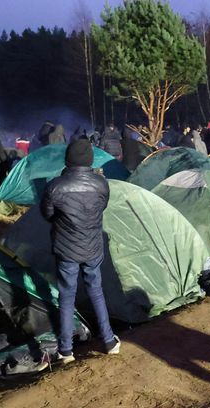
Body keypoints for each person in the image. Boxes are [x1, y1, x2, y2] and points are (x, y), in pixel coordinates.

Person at [40, 137, 120, 363]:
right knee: (96, 290)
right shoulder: (101, 184)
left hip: (66, 248)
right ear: (90, 160)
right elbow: (101, 208)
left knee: (67, 297)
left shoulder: (55, 186)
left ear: (68, 159)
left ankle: (66, 351)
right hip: (93, 246)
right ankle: (108, 341)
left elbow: (47, 215)